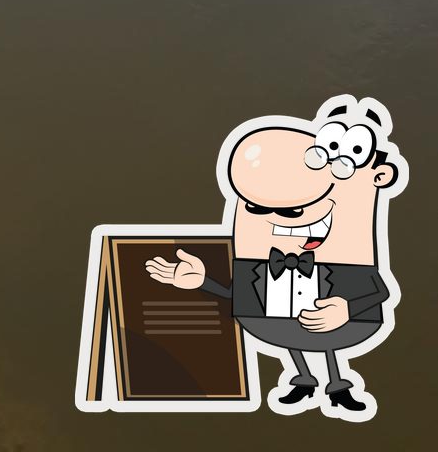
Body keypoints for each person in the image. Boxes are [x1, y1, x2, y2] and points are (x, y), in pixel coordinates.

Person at [146, 96, 406, 419]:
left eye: (293, 210)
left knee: (324, 339)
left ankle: (337, 386)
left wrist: (347, 309)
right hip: (275, 327)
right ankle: (304, 379)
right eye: (256, 208)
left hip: (339, 327)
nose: (284, 218)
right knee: (291, 336)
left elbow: (379, 291)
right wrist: (202, 282)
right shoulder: (257, 264)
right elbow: (238, 298)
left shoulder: (351, 258)